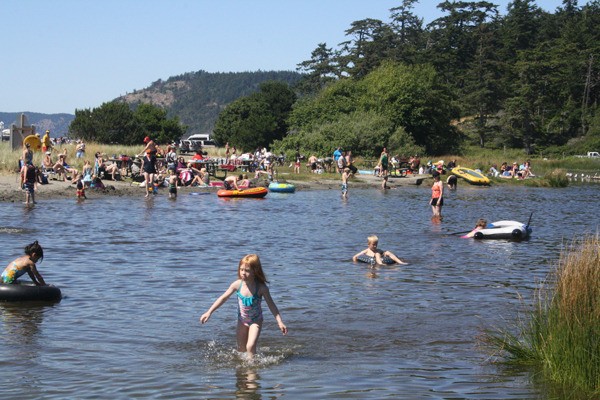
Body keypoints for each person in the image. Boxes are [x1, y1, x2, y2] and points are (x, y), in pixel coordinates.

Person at [199, 254, 288, 359]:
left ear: (255, 271)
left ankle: (252, 371)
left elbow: (271, 305)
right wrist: (209, 312)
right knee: (241, 350)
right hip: (242, 320)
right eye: (241, 270)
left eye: (247, 270)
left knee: (250, 346)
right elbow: (223, 298)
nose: (243, 273)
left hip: (256, 321)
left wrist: (279, 321)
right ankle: (243, 371)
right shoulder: (237, 285)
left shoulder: (261, 288)